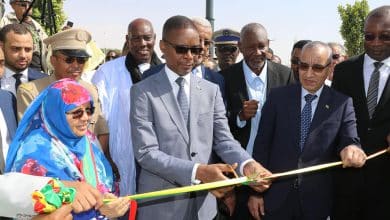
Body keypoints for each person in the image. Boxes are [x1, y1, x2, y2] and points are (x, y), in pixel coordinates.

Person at [130, 15, 272, 220]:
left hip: (204, 207)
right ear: (162, 46)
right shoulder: (142, 92)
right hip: (161, 206)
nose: (190, 56)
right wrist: (198, 172)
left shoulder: (211, 90)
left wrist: (246, 164)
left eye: (196, 50)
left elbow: (224, 140)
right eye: (181, 49)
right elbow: (146, 153)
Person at [249, 41, 366, 220]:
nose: (309, 74)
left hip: (317, 202)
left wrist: (351, 149)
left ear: (329, 69)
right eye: (304, 66)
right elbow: (262, 145)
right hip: (275, 198)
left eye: (317, 68)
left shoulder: (341, 103)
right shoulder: (277, 97)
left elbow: (350, 139)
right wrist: (256, 192)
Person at [5, 79, 129, 219]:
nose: (85, 118)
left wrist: (106, 204)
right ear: (55, 112)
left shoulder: (88, 140)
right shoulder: (34, 151)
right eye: (76, 113)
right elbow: (34, 207)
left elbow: (102, 188)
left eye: (89, 110)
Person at [220, 23, 294, 219]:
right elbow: (217, 128)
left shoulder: (285, 75)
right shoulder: (224, 79)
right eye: (251, 47)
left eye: (262, 46)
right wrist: (240, 117)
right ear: (241, 47)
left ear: (268, 45)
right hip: (238, 175)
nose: (257, 52)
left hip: (274, 173)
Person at [331, 6, 390, 220]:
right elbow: (333, 119)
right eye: (369, 36)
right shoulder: (345, 70)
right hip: (347, 182)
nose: (375, 42)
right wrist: (346, 144)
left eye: (385, 36)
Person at [91, 18, 161, 197]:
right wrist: (105, 158)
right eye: (136, 38)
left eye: (147, 38)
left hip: (159, 160)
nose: (142, 44)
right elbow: (99, 120)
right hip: (120, 156)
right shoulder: (107, 72)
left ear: (154, 38)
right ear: (127, 40)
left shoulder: (166, 72)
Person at [16, 28, 109, 151]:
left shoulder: (90, 90)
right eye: (69, 60)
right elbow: (31, 139)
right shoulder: (31, 92)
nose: (76, 66)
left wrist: (91, 163)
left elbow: (101, 131)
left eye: (81, 60)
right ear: (53, 60)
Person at [0, 172, 105, 218]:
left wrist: (104, 203)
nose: (85, 124)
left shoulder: (88, 142)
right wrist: (57, 189)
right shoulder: (34, 148)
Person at [0, 0, 48, 71]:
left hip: (37, 73)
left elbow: (47, 48)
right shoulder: (5, 22)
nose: (28, 8)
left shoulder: (37, 26)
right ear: (13, 5)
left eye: (30, 5)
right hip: (13, 73)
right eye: (23, 5)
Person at [0, 24, 46, 97]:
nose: (23, 55)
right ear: (2, 47)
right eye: (16, 49)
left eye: (28, 49)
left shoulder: (46, 82)